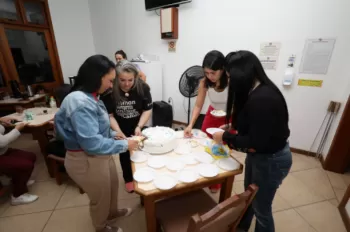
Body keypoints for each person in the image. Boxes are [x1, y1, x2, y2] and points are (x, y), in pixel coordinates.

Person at [55, 55, 139, 232]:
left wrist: (115, 134)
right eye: (110, 81)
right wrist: (125, 145)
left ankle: (112, 212)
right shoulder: (80, 102)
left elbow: (100, 126)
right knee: (100, 196)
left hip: (101, 154)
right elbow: (92, 144)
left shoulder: (93, 96)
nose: (111, 85)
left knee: (112, 185)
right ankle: (101, 227)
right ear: (97, 77)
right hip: (85, 159)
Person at [212, 50, 292, 232]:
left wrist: (225, 137)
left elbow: (256, 142)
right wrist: (232, 129)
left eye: (231, 77)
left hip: (272, 160)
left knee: (261, 209)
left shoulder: (263, 98)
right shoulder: (255, 90)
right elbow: (255, 127)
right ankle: (241, 228)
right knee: (249, 198)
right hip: (260, 156)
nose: (230, 82)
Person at [101, 60, 152, 193]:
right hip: (120, 126)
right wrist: (117, 131)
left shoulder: (143, 88)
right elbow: (110, 115)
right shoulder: (109, 91)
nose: (127, 84)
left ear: (135, 77)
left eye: (130, 80)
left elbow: (147, 110)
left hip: (138, 125)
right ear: (116, 78)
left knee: (142, 151)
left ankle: (143, 175)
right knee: (124, 153)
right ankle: (128, 179)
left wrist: (139, 126)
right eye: (122, 80)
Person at [183, 50, 230, 193]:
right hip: (212, 114)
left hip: (229, 117)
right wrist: (190, 124)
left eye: (213, 73)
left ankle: (217, 181)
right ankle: (205, 174)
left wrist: (231, 123)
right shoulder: (204, 82)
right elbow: (198, 105)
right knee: (206, 145)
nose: (210, 76)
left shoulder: (232, 81)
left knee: (222, 149)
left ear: (222, 70)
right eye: (207, 73)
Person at [0, 119, 38, 205]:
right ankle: (17, 196)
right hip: (1, 152)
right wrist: (17, 129)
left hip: (2, 151)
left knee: (30, 156)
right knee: (25, 166)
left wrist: (2, 122)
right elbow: (2, 142)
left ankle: (19, 181)